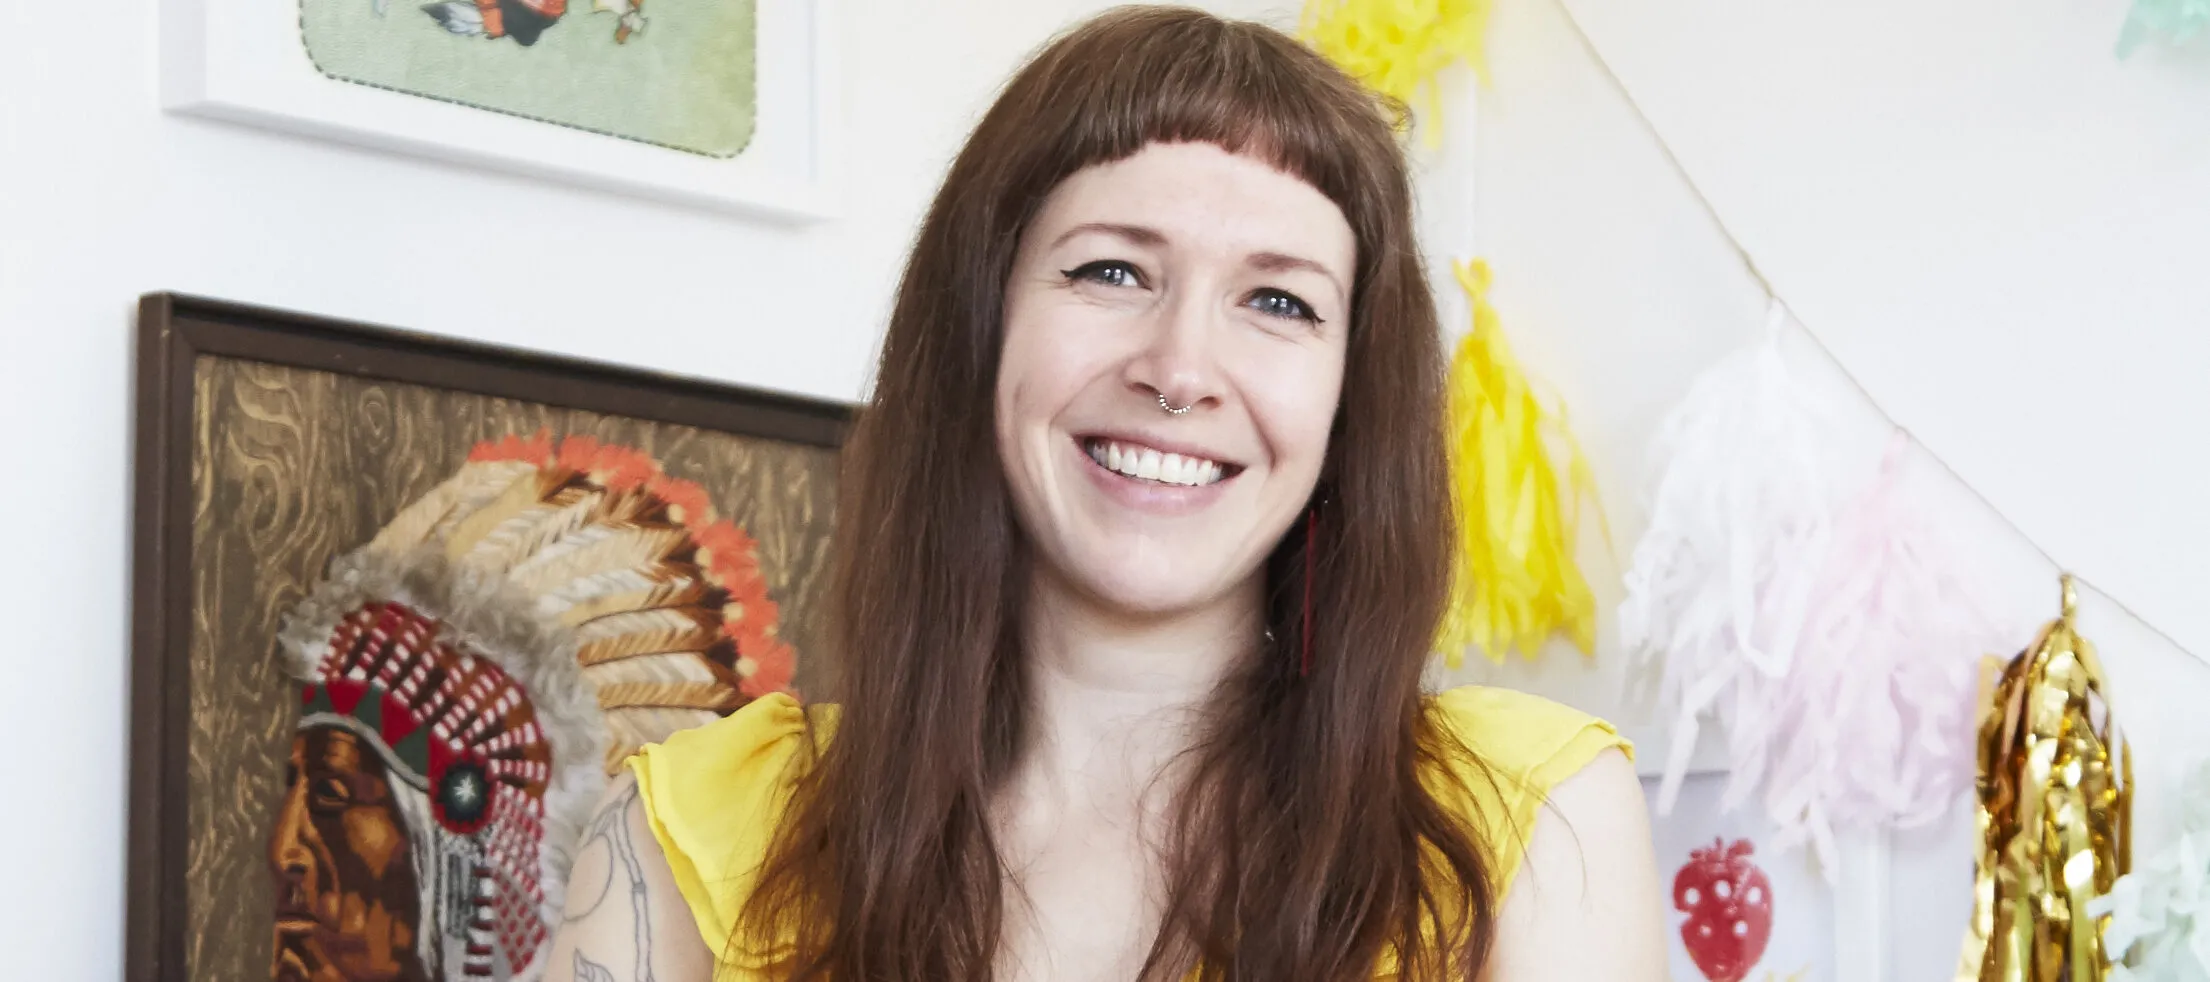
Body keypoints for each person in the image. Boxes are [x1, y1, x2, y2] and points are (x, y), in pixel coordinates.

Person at [547, 6, 1665, 981]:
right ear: (979, 326)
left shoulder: (1528, 817)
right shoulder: (690, 831)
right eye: (1111, 271)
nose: (1179, 370)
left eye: (1277, 302)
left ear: (1348, 401)